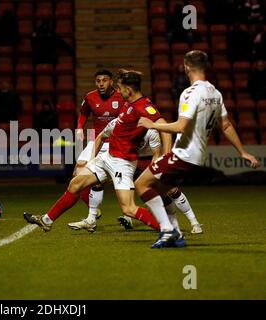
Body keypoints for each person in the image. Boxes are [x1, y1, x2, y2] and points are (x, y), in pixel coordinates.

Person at [136, 50, 258, 249]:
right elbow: (225, 125)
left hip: (184, 154)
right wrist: (242, 152)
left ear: (186, 67)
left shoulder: (190, 93)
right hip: (197, 156)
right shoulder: (215, 93)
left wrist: (153, 125)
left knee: (141, 184)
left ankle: (168, 230)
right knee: (161, 188)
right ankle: (176, 234)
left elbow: (180, 127)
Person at [24, 70, 169, 235]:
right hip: (107, 156)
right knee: (75, 183)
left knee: (128, 209)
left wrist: (165, 155)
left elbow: (164, 127)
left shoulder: (144, 106)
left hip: (122, 162)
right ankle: (47, 220)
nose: (118, 91)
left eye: (120, 88)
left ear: (128, 90)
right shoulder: (128, 102)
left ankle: (167, 230)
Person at [66, 69, 125, 232]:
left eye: (104, 80)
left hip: (115, 142)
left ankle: (126, 213)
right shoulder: (90, 97)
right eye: (98, 81)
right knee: (77, 176)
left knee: (108, 180)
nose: (101, 84)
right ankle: (95, 210)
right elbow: (83, 114)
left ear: (111, 82)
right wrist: (79, 128)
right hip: (96, 141)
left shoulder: (121, 97)